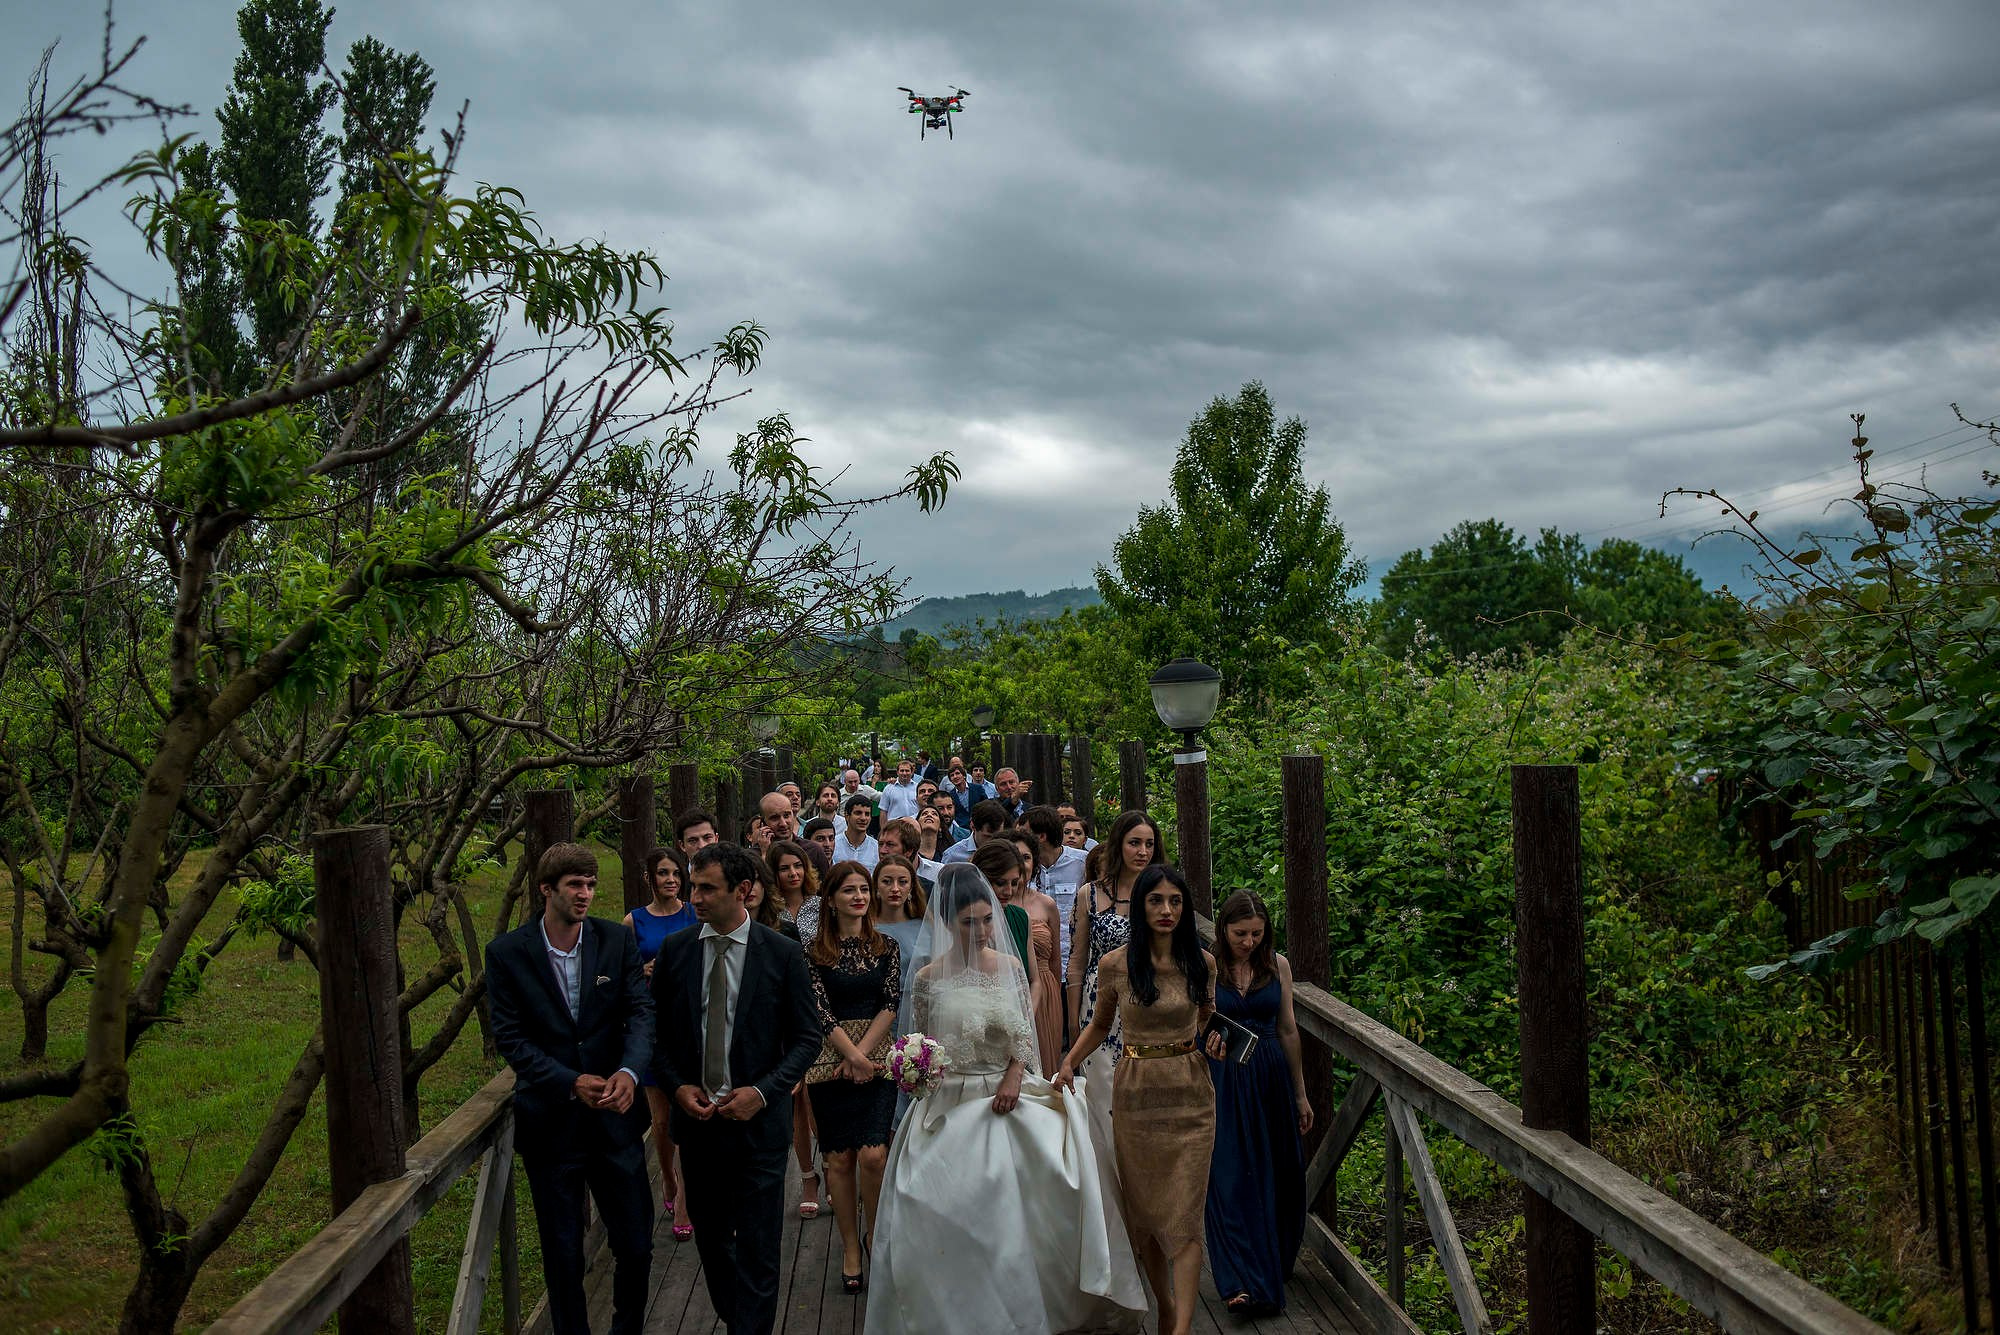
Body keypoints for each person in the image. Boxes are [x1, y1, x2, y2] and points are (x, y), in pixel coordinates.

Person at [863, 866, 1146, 1335]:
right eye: (967, 923)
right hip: (950, 1100)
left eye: (984, 920)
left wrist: (1015, 1076)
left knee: (1051, 1183)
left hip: (1005, 1090)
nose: (979, 931)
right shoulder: (930, 976)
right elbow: (922, 1038)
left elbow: (1023, 1033)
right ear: (948, 923)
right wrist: (917, 1066)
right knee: (946, 1204)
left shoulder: (1011, 967)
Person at [651, 842, 823, 1335]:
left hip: (759, 1127)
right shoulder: (677, 951)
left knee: (759, 1245)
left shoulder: (783, 954)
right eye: (692, 887)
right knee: (712, 1241)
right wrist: (679, 1087)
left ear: (743, 891)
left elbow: (807, 1036)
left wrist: (764, 1091)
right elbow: (656, 1036)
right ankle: (738, 1317)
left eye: (707, 888)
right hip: (699, 1123)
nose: (695, 898)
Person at [486, 843, 655, 1335]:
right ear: (547, 891)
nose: (585, 894)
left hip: (615, 1119)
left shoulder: (613, 941)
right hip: (552, 1125)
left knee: (637, 1246)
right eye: (575, 885)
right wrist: (566, 1080)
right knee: (562, 1256)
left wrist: (629, 1071)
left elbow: (640, 1012)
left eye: (590, 885)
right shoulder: (507, 954)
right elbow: (510, 1036)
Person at [1056, 865, 1225, 1335]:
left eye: (1175, 901)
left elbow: (1209, 1017)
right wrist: (1068, 1062)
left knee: (1187, 1215)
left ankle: (1182, 1328)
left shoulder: (1202, 963)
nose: (1167, 910)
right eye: (1156, 901)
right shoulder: (1116, 964)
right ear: (1142, 906)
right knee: (1145, 1213)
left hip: (1191, 1093)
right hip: (1135, 1093)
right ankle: (1165, 1305)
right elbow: (1098, 1025)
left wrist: (1220, 1039)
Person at [1206, 891, 1312, 1315]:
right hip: (1226, 1076)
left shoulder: (1277, 965)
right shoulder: (1208, 966)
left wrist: (1300, 1092)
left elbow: (1287, 1029)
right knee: (1229, 1173)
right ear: (1223, 930)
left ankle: (1275, 1258)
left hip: (1269, 1075)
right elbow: (1194, 1021)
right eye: (1239, 934)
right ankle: (1237, 1280)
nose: (1248, 942)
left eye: (1256, 933)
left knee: (1280, 1170)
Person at [804, 861, 902, 1293]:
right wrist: (847, 1053)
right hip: (829, 1062)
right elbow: (819, 1010)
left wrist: (862, 1056)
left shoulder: (887, 946)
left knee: (874, 1156)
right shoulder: (813, 952)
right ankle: (849, 1246)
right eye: (849, 890)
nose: (860, 897)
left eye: (864, 889)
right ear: (831, 899)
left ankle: (876, 1236)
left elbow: (890, 1002)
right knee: (839, 1160)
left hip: (876, 1061)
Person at [622, 846, 699, 1242]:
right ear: (650, 878)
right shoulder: (633, 921)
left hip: (687, 1019)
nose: (671, 880)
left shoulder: (692, 913)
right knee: (662, 1118)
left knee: (686, 1113)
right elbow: (620, 972)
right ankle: (667, 1178)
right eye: (663, 874)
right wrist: (642, 968)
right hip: (652, 1021)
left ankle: (684, 1201)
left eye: (675, 874)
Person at [1065, 810, 1162, 1059]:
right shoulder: (1090, 894)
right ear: (1118, 844)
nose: (1143, 852)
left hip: (1151, 999)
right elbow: (1077, 961)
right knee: (1101, 1090)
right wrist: (1073, 1021)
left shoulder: (1164, 894)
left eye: (1149, 844)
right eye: (1134, 843)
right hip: (1098, 1004)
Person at [764, 839, 823, 1216]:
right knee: (796, 1098)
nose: (792, 873)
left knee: (821, 1094)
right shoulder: (768, 912)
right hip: (784, 1009)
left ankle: (833, 1167)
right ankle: (807, 1175)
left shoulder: (822, 906)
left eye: (797, 866)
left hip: (821, 1003)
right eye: (784, 868)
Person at [988, 834, 1065, 1076]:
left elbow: (1053, 963)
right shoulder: (975, 919)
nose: (1009, 889)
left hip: (1037, 994)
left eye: (1026, 858)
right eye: (1002, 882)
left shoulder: (1038, 908)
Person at [968, 841, 1047, 1042]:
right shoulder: (966, 922)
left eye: (1014, 883)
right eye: (1001, 883)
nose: (1008, 891)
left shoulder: (1021, 917)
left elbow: (1035, 980)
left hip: (1019, 1021)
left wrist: (1026, 1019)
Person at [1021, 805, 1087, 988]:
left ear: (1041, 837)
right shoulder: (1022, 869)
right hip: (1034, 968)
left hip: (1073, 966)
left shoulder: (1082, 864)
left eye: (1024, 833)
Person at [938, 797, 1010, 864]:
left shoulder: (1008, 851)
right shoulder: (953, 856)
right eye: (988, 837)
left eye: (998, 837)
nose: (993, 842)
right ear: (973, 826)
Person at [877, 817, 942, 889]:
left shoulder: (938, 874)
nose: (882, 851)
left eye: (890, 845)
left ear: (909, 851)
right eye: (880, 844)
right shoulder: (871, 881)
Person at [835, 792, 881, 869]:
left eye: (867, 814)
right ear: (847, 816)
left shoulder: (877, 849)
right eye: (858, 813)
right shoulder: (834, 845)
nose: (863, 818)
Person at [877, 758, 921, 823]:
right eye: (902, 770)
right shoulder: (888, 788)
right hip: (894, 827)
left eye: (907, 771)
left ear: (912, 772)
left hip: (914, 826)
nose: (904, 773)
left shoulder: (918, 788)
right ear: (897, 772)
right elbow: (883, 811)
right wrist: (883, 830)